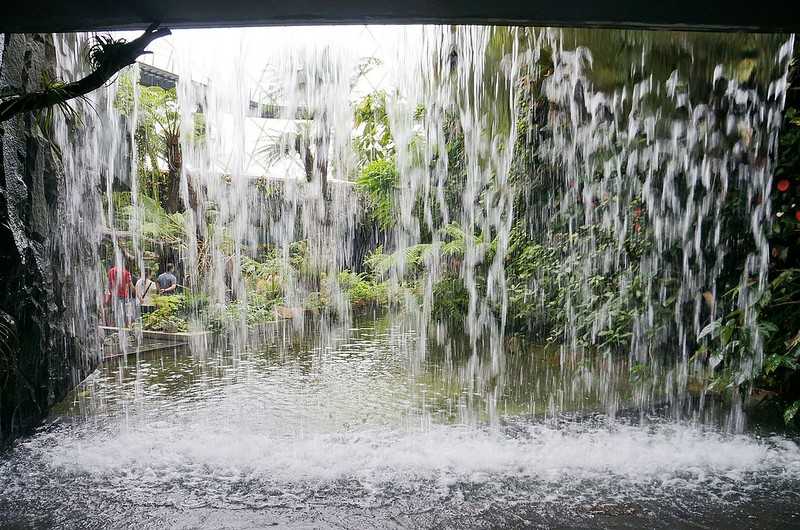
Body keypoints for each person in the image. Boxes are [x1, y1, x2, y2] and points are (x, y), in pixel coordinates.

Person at [107, 260, 134, 325]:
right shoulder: (126, 272)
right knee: (126, 312)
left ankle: (115, 325)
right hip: (124, 295)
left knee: (115, 311)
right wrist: (134, 292)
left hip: (114, 295)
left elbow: (108, 283)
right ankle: (126, 325)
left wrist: (109, 292)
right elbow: (130, 285)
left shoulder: (110, 271)